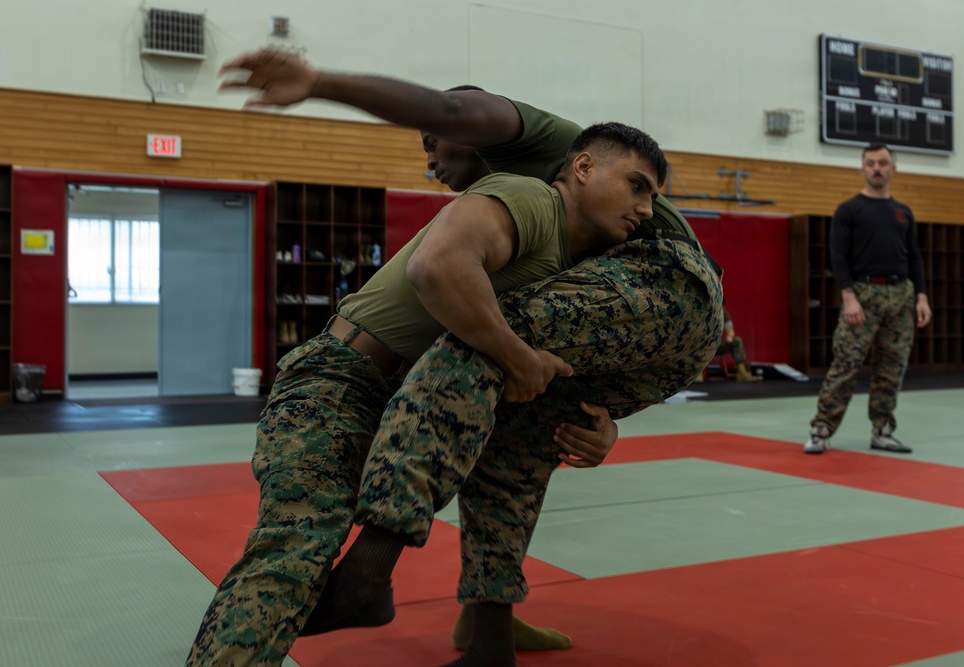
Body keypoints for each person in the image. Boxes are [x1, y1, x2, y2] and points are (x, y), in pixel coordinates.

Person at [202, 48, 710, 657]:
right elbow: (439, 267)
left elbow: (447, 109)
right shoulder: (525, 198)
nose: (433, 163)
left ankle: (475, 618)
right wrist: (524, 361)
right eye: (425, 150)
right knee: (294, 548)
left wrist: (596, 416)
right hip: (340, 380)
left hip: (391, 385)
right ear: (579, 170)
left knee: (503, 420)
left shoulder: (549, 176)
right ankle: (381, 588)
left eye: (435, 144)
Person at [804, 142, 931, 455]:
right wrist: (848, 296)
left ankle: (883, 430)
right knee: (846, 364)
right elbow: (838, 256)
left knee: (892, 367)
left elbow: (914, 256)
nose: (877, 168)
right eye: (871, 163)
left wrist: (922, 297)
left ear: (893, 168)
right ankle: (821, 430)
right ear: (862, 169)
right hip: (862, 294)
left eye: (883, 163)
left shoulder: (904, 212)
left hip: (902, 295)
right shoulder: (849, 210)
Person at [718, 305, 760, 382]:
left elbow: (730, 331)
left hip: (717, 344)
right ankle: (696, 374)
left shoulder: (723, 313)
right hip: (700, 345)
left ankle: (742, 371)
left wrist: (730, 337)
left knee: (737, 341)